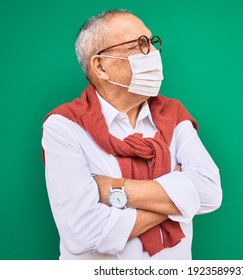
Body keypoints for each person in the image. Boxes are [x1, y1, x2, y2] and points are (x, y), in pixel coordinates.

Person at [41, 9, 222, 260]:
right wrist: (179, 198)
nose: (154, 53)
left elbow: (211, 192)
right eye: (139, 45)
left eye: (151, 42)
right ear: (101, 67)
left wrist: (116, 189)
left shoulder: (173, 115)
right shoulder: (64, 126)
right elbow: (82, 233)